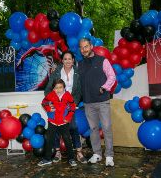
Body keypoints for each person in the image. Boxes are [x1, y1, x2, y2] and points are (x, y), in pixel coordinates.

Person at [78, 38, 116, 167]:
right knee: (93, 129)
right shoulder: (79, 64)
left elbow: (112, 76)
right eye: (82, 47)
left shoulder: (102, 60)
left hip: (102, 101)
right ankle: (97, 154)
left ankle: (109, 156)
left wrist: (104, 87)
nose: (84, 49)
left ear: (91, 46)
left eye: (86, 46)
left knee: (106, 128)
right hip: (88, 103)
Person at [44, 51, 87, 164]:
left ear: (73, 60)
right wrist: (50, 103)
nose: (68, 61)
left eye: (70, 59)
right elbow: (48, 89)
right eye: (65, 59)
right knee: (57, 130)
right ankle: (58, 151)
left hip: (69, 106)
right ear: (62, 60)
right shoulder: (56, 72)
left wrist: (74, 103)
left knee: (73, 127)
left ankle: (78, 152)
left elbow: (79, 91)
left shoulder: (78, 72)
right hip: (57, 106)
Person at [38, 79, 77, 167]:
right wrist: (48, 109)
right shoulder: (51, 95)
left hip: (64, 123)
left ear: (64, 87)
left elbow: (72, 107)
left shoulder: (68, 95)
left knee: (67, 140)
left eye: (60, 87)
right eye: (56, 88)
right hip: (53, 122)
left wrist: (68, 117)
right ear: (53, 89)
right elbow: (44, 103)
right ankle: (47, 159)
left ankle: (71, 158)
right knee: (49, 140)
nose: (58, 90)